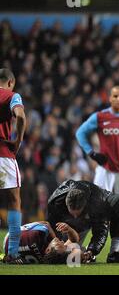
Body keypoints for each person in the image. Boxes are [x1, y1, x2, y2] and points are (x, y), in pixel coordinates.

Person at [76, 86, 119, 237]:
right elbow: (80, 133)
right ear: (110, 98)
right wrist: (92, 153)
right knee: (97, 205)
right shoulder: (100, 117)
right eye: (115, 96)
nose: (118, 99)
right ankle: (98, 236)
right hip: (105, 168)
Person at [47, 179, 119, 263]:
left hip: (87, 221)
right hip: (68, 227)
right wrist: (53, 245)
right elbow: (50, 225)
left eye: (78, 214)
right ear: (66, 203)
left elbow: (101, 231)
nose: (75, 217)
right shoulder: (56, 201)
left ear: (85, 205)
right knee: (62, 254)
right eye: (72, 214)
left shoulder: (96, 201)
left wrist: (92, 251)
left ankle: (114, 251)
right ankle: (80, 249)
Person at [0, 68, 27, 264]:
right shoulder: (12, 95)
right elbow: (21, 116)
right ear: (11, 82)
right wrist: (17, 141)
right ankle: (13, 253)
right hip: (3, 154)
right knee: (13, 202)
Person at [2, 221, 80, 264]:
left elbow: (46, 224)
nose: (62, 241)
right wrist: (69, 230)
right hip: (7, 250)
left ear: (48, 250)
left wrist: (54, 236)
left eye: (59, 243)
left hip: (10, 237)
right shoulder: (49, 257)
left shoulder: (39, 234)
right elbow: (74, 240)